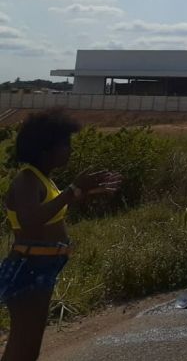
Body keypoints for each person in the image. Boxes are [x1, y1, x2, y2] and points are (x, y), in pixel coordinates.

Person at [2, 111, 121, 361]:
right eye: (65, 144)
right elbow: (30, 220)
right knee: (23, 343)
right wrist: (72, 190)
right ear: (45, 149)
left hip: (40, 267)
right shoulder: (27, 179)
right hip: (29, 268)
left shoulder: (43, 180)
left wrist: (85, 192)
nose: (70, 150)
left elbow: (51, 212)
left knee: (29, 345)